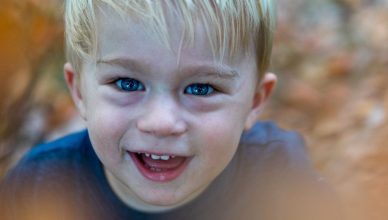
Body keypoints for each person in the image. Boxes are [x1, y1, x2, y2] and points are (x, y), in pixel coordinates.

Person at [0, 1, 342, 219]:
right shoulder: (40, 188)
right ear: (79, 91)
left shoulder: (280, 182)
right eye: (127, 84)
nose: (161, 123)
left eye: (201, 88)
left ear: (254, 101)